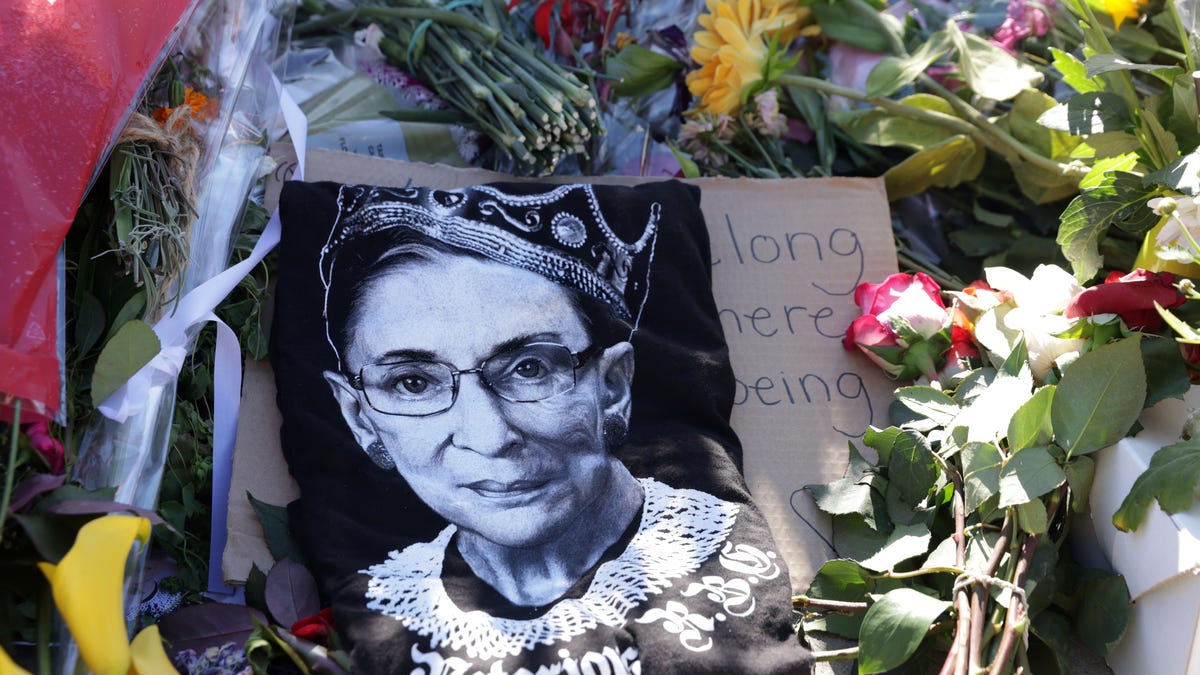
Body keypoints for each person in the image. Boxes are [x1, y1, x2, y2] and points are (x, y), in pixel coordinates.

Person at [315, 182, 812, 674]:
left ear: (612, 385)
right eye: (413, 382)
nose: (489, 436)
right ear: (361, 418)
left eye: (529, 368)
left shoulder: (719, 558)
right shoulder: (387, 602)